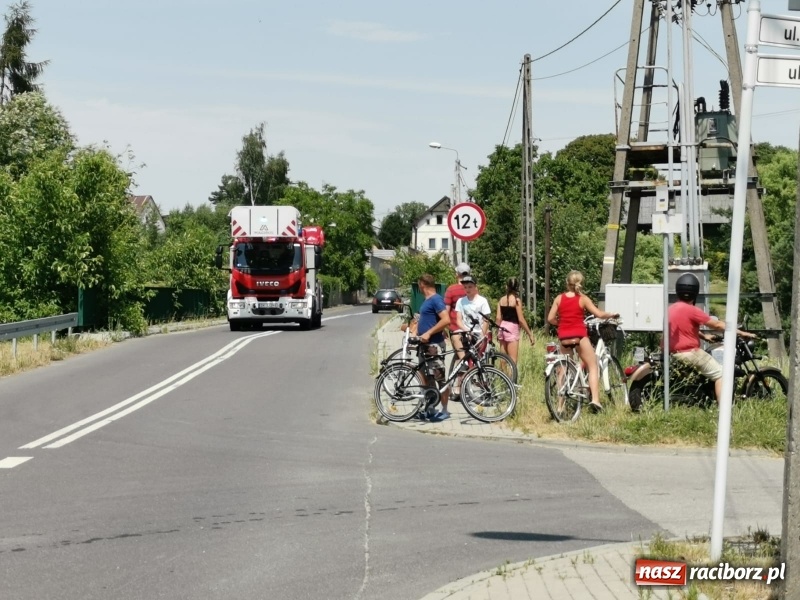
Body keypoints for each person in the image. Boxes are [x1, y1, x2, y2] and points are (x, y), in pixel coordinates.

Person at [668, 273, 755, 405]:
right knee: (721, 374)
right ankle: (724, 409)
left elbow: (685, 329)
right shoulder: (692, 310)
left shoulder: (671, 308)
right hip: (689, 352)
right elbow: (717, 325)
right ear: (695, 292)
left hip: (674, 351)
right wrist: (741, 332)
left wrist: (705, 336)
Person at [547, 270, 618, 413]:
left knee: (563, 369)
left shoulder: (559, 299)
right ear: (580, 283)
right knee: (593, 366)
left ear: (567, 283)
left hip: (564, 337)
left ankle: (560, 407)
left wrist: (561, 323)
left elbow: (550, 319)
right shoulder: (583, 299)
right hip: (579, 336)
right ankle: (595, 400)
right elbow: (599, 314)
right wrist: (612, 314)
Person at [416, 273, 451, 421]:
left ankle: (445, 410)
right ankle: (430, 408)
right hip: (424, 346)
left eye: (419, 285)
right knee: (427, 378)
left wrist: (429, 333)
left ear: (422, 284)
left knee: (439, 377)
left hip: (433, 345)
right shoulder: (427, 301)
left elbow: (446, 320)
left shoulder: (436, 299)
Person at [495, 277, 535, 365]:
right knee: (512, 360)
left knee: (503, 359)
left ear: (506, 286)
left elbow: (498, 318)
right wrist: (529, 334)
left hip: (502, 326)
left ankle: (503, 377)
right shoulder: (517, 300)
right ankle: (511, 378)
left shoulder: (501, 300)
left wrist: (497, 331)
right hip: (512, 328)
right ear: (517, 288)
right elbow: (521, 319)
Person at [443, 263, 472, 370]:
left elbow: (446, 311)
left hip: (455, 328)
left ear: (457, 274)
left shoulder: (451, 289)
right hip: (470, 328)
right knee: (468, 354)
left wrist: (443, 328)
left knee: (459, 356)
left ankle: (461, 382)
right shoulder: (472, 289)